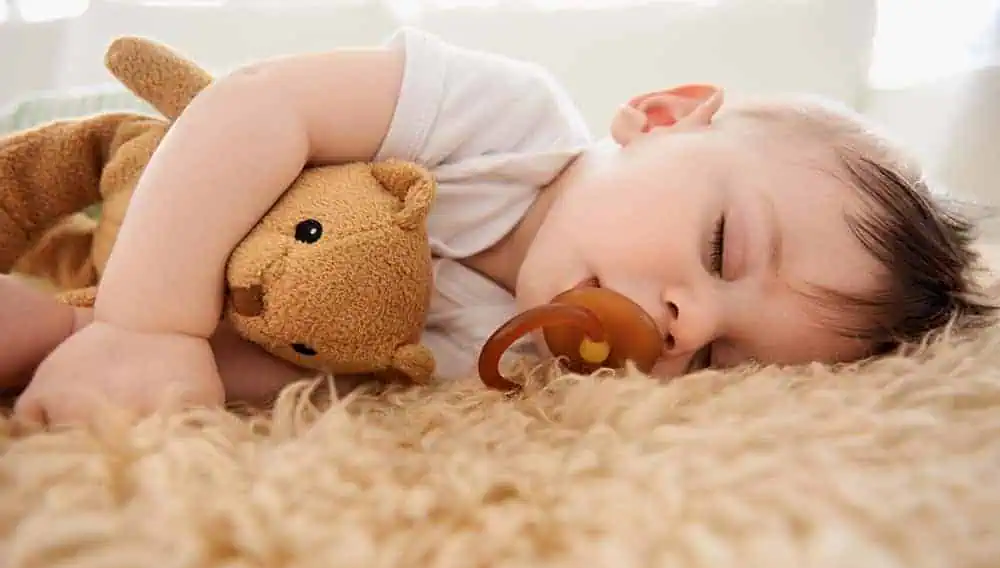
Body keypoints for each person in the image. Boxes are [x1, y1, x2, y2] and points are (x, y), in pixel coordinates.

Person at [1, 27, 995, 424]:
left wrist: (104, 343)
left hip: (107, 279)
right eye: (722, 247)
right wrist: (148, 323)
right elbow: (260, 107)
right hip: (115, 164)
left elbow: (313, 368)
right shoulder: (503, 123)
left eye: (714, 360)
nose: (682, 322)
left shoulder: (512, 362)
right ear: (658, 117)